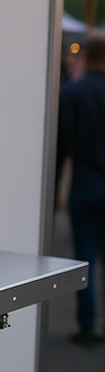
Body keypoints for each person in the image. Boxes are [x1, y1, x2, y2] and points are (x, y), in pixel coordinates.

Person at [57, 35, 105, 345]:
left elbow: (61, 145)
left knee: (84, 257)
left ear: (86, 55)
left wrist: (53, 194)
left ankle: (87, 326)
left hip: (84, 186)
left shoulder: (72, 92)